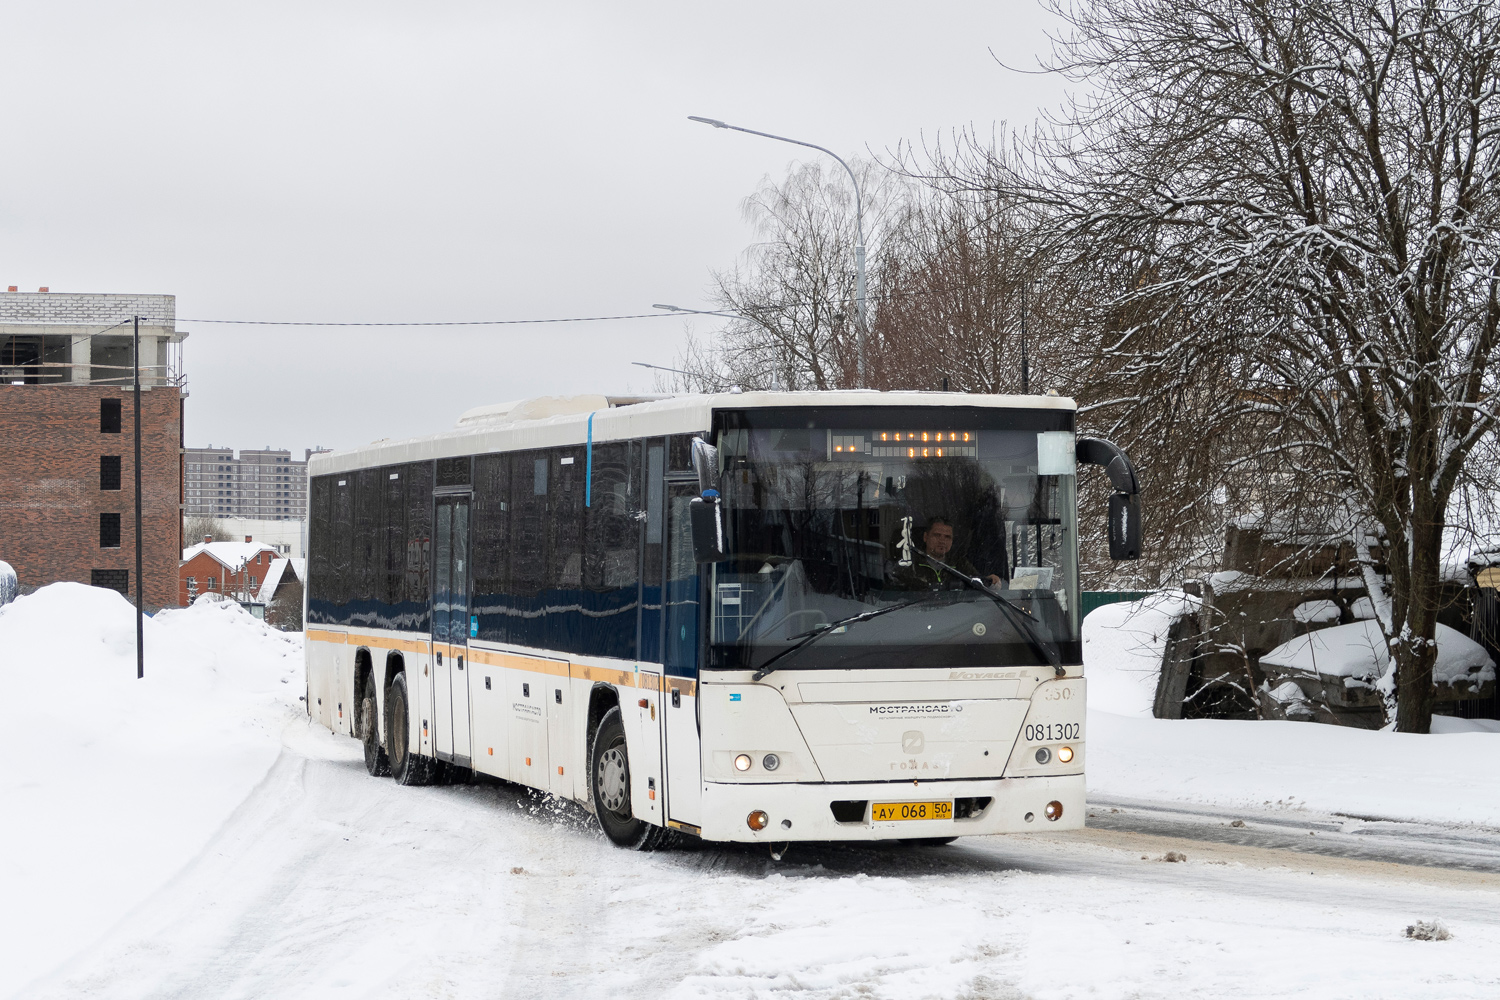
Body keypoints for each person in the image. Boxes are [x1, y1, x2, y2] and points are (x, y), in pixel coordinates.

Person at [895, 516, 1002, 589]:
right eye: (937, 535)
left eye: (947, 537)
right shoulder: (910, 563)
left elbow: (976, 581)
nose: (942, 541)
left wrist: (990, 581)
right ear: (925, 537)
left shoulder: (959, 563)